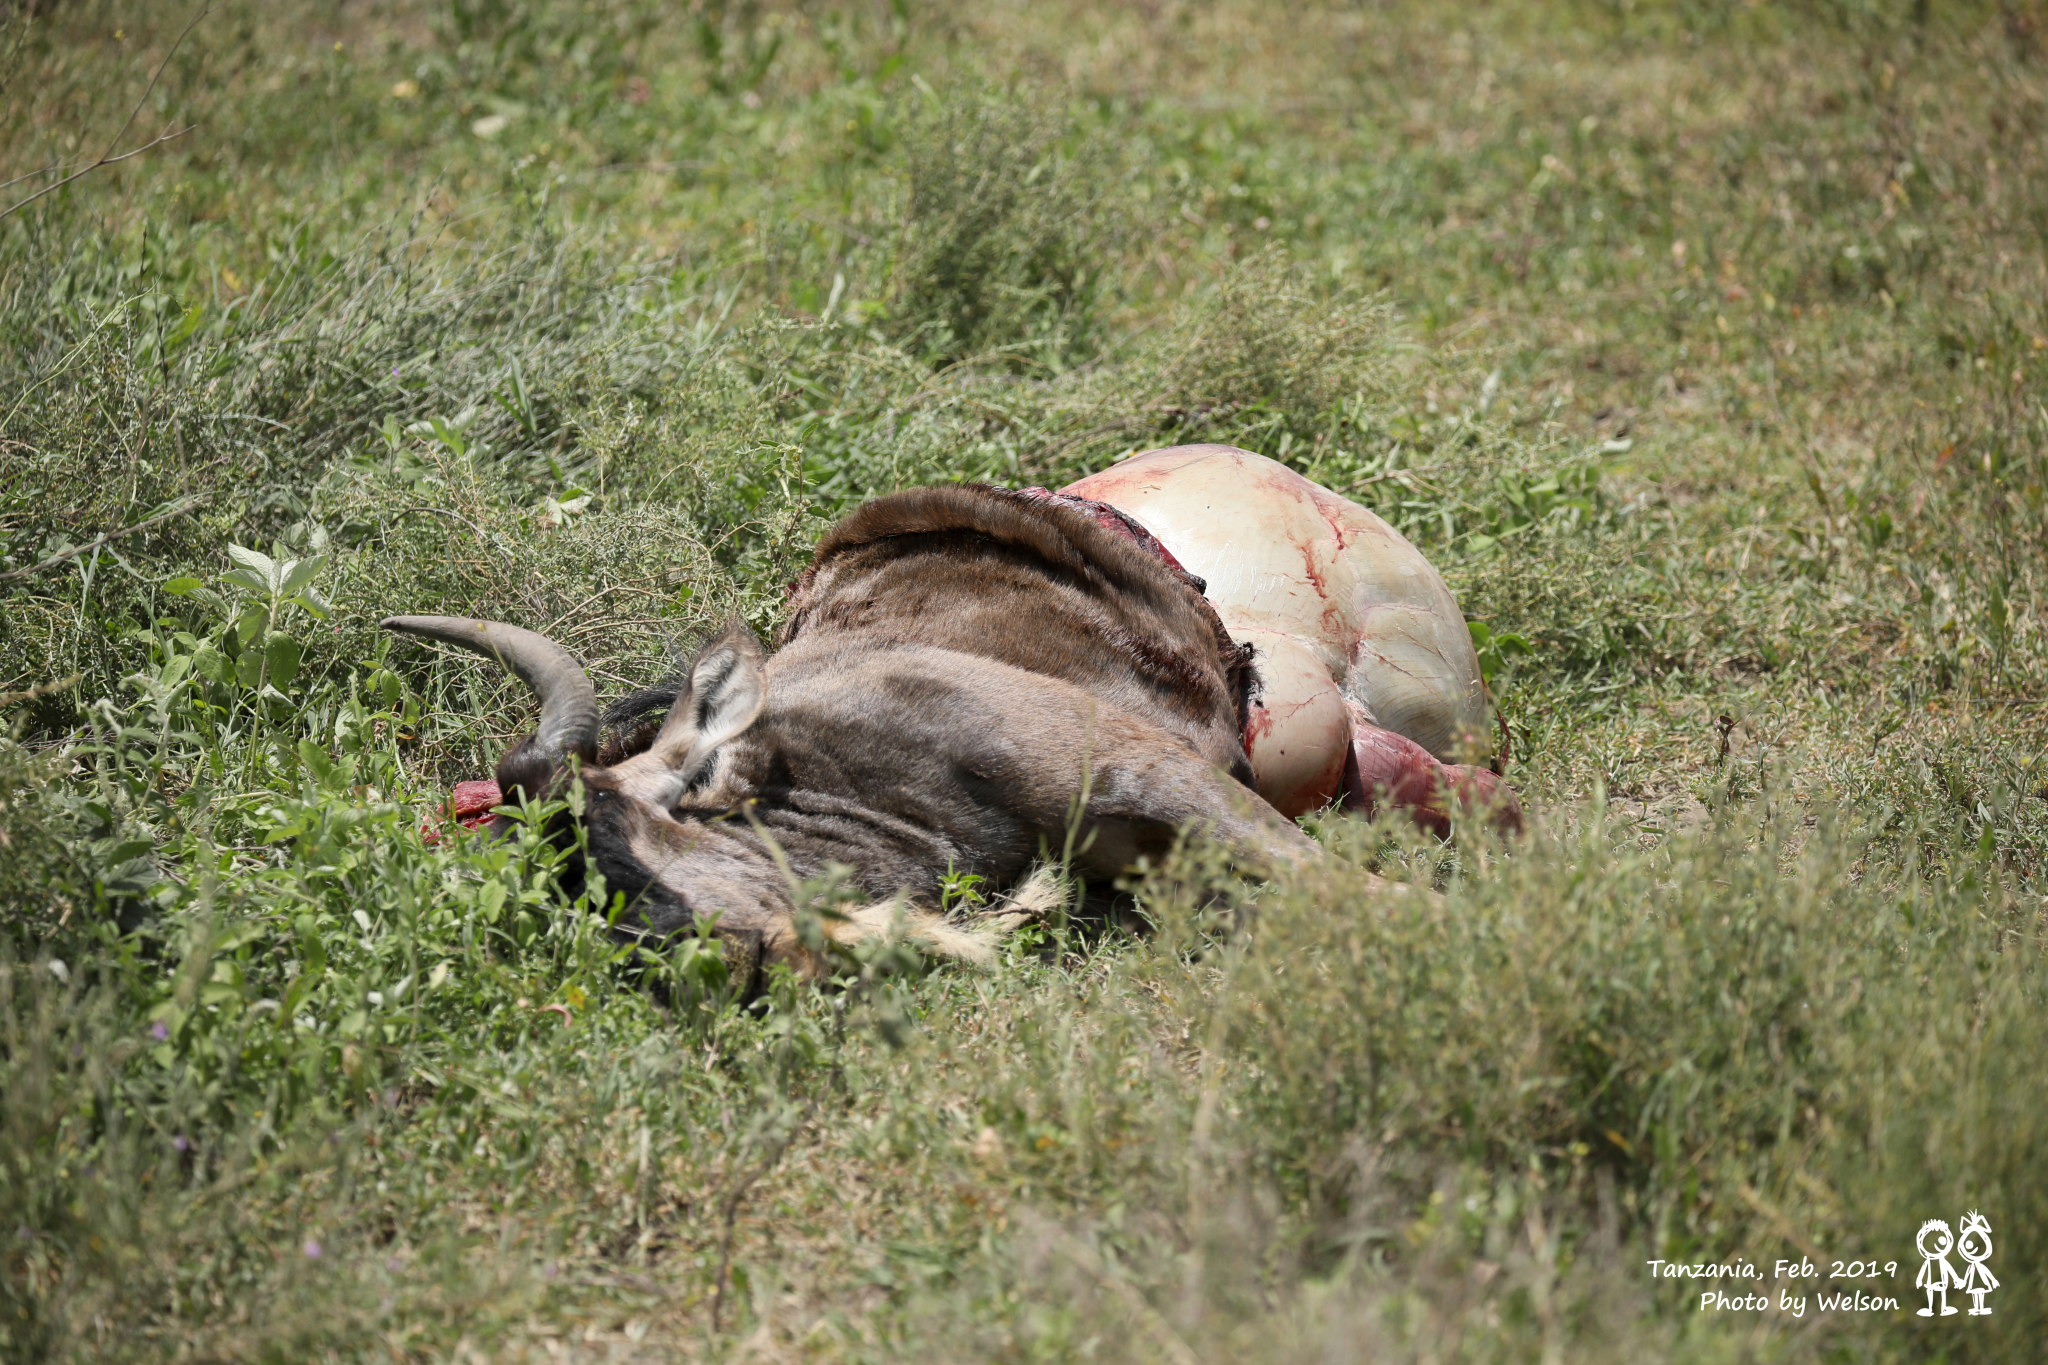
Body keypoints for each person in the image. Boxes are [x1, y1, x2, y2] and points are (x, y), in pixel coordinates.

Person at [1954, 1211, 1997, 1316]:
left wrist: (1993, 1280)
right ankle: (1976, 1307)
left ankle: (1980, 1307)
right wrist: (1963, 1281)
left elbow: (1986, 1272)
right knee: (1975, 1294)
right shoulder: (1972, 1266)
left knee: (1980, 1293)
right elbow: (1968, 1273)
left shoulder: (1979, 1265)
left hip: (1980, 1281)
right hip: (1973, 1281)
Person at [1915, 1219, 1960, 1317]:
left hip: (1941, 1281)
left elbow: (1949, 1269)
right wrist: (1919, 1280)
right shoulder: (1928, 1261)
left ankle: (1943, 1308)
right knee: (1930, 1292)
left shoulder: (1942, 1261)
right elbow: (1923, 1270)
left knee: (1942, 1292)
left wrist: (1956, 1279)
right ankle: (1930, 1308)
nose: (1935, 1245)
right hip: (1930, 1281)